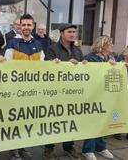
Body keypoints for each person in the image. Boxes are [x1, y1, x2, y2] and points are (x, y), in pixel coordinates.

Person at [5, 14, 44, 160]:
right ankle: (13, 149)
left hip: (31, 89)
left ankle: (23, 147)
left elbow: (43, 66)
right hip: (15, 89)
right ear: (19, 26)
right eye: (24, 25)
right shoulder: (12, 43)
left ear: (33, 26)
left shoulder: (39, 44)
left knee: (26, 119)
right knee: (14, 120)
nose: (26, 27)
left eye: (29, 25)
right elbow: (7, 67)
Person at [44, 23, 83, 160]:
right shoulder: (52, 49)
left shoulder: (78, 51)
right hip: (55, 92)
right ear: (62, 34)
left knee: (70, 119)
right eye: (69, 32)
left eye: (74, 32)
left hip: (72, 92)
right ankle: (49, 148)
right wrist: (61, 64)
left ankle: (69, 146)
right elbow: (47, 67)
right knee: (52, 120)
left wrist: (82, 65)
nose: (73, 34)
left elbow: (83, 70)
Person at [82, 35, 114, 160]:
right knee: (93, 121)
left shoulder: (110, 58)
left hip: (106, 95)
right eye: (110, 44)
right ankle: (88, 149)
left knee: (103, 121)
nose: (112, 46)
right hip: (93, 95)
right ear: (102, 46)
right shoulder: (90, 58)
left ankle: (101, 146)